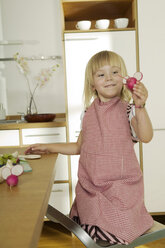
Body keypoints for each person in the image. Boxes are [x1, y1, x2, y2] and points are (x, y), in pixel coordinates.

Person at [25, 50, 154, 246]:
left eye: (114, 72)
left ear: (124, 78)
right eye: (101, 74)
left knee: (109, 232)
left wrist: (141, 107)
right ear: (92, 84)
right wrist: (48, 146)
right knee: (91, 224)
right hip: (92, 189)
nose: (109, 78)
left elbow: (146, 136)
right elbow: (79, 146)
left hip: (121, 190)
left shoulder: (130, 110)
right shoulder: (87, 114)